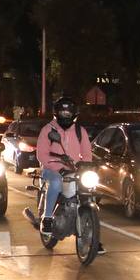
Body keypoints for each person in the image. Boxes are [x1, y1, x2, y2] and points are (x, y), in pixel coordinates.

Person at [36, 96, 92, 236]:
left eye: (68, 113)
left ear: (74, 114)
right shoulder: (48, 130)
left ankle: (93, 236)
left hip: (73, 171)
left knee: (90, 190)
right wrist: (58, 168)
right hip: (51, 170)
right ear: (57, 113)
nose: (65, 115)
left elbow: (87, 154)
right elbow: (41, 155)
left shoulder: (80, 131)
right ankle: (47, 218)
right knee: (55, 182)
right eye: (63, 113)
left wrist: (85, 166)